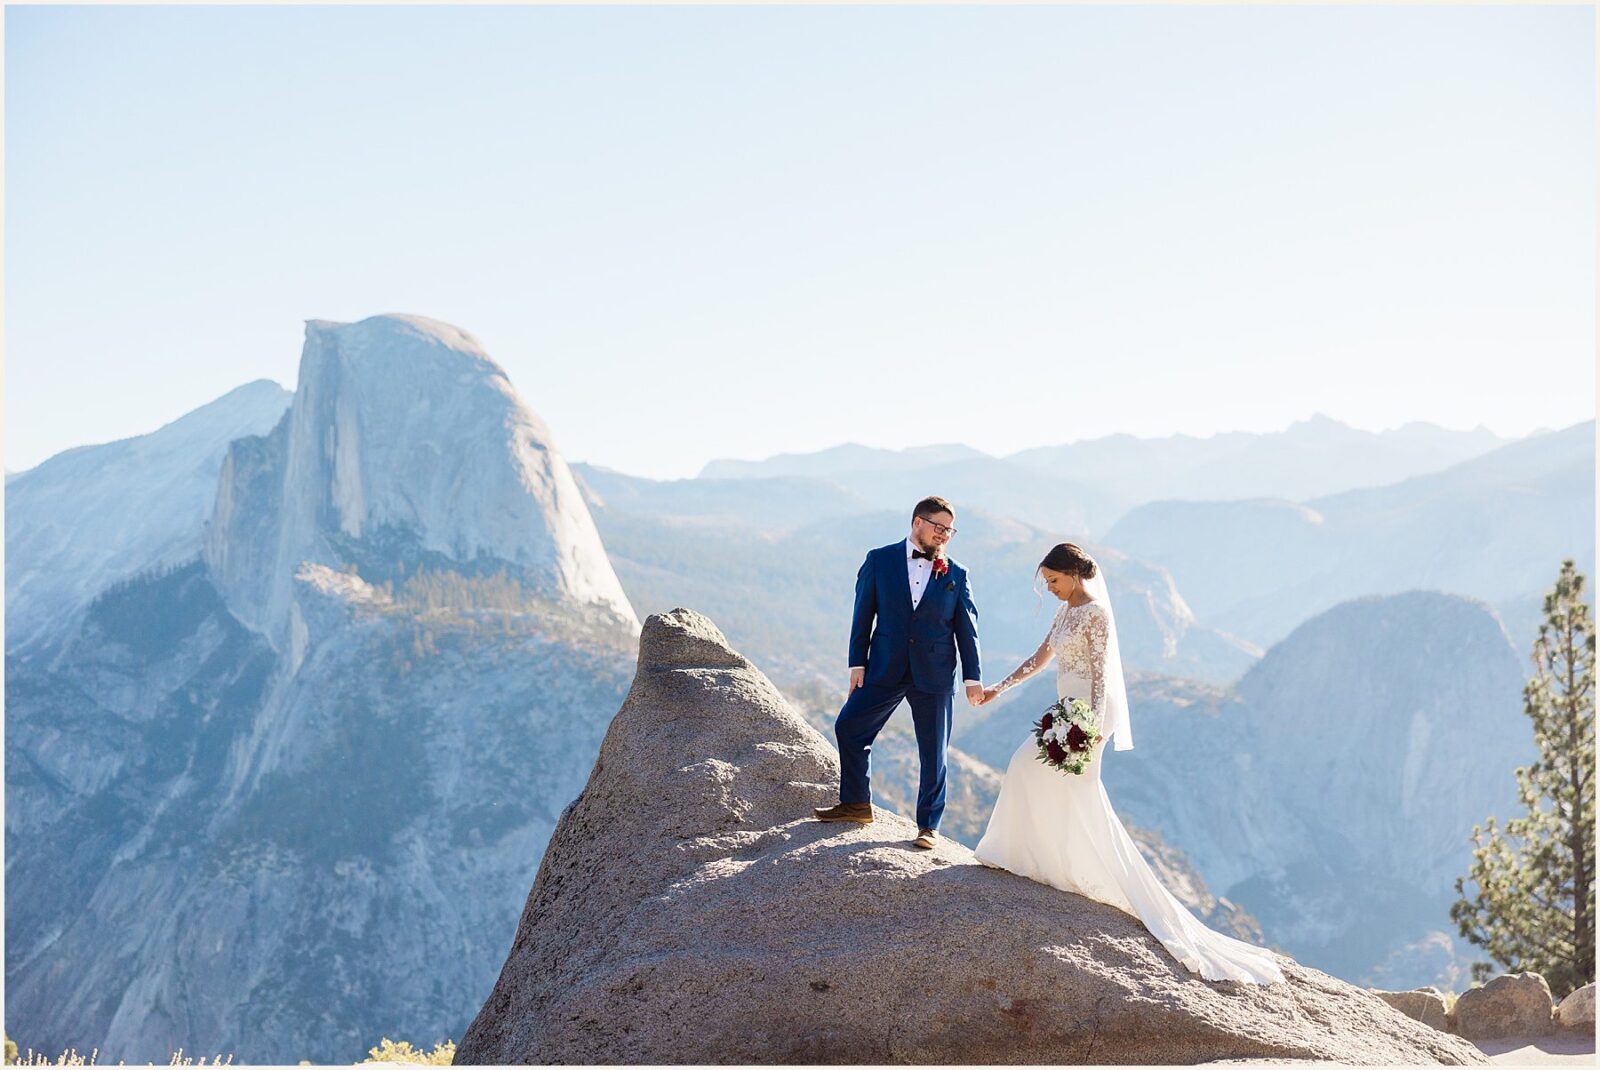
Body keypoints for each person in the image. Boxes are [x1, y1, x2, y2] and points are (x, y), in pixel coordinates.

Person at [973, 543, 1285, 984]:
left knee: (1066, 785)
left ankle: (1084, 872)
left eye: (1054, 581)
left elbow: (1102, 674)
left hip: (1089, 712)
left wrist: (1093, 726)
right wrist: (998, 688)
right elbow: (1041, 657)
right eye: (1047, 583)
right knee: (1027, 768)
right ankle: (1035, 858)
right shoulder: (1064, 612)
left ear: (1074, 574)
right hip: (1068, 707)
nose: (1051, 588)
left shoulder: (1096, 613)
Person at [813, 496, 982, 850]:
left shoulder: (957, 573)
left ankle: (928, 827)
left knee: (933, 753)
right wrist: (857, 663)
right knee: (849, 727)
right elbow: (862, 614)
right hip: (884, 665)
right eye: (939, 527)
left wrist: (973, 678)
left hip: (935, 672)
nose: (944, 535)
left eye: (950, 530)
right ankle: (856, 804)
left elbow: (967, 629)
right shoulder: (879, 560)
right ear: (917, 522)